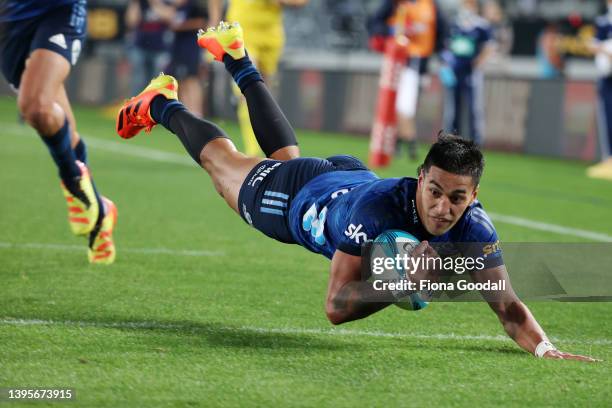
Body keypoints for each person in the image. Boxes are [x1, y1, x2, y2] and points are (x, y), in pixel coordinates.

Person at [115, 22, 598, 361]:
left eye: (457, 198)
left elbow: (508, 304)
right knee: (222, 168)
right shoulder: (375, 212)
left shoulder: (475, 229)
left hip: (344, 177)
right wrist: (400, 285)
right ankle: (162, 104)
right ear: (421, 178)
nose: (442, 207)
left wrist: (544, 347)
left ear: (474, 198)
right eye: (435, 191)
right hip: (300, 200)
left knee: (287, 155)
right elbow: (335, 307)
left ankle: (239, 59)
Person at [0, 0, 117, 263]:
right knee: (56, 121)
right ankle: (99, 209)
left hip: (59, 10)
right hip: (11, 20)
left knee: (37, 107)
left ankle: (74, 180)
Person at [207, 0, 309, 157]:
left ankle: (269, 143)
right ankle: (253, 151)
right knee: (248, 85)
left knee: (265, 93)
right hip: (242, 27)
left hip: (271, 33)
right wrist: (213, 22)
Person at [367, 0, 447, 160]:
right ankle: (407, 141)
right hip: (398, 59)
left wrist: (440, 51)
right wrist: (391, 31)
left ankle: (398, 140)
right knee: (400, 104)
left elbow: (442, 31)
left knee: (409, 103)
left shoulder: (430, 5)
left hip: (420, 61)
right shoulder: (394, 3)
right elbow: (374, 23)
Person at [440, 0, 494, 146]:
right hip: (454, 70)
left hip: (472, 71)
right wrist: (446, 65)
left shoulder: (481, 25)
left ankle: (476, 141)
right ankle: (450, 140)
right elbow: (446, 47)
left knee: (474, 107)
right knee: (452, 107)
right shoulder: (454, 23)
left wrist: (479, 62)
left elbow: (489, 47)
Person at [588, 0, 612, 180]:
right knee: (607, 117)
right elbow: (593, 45)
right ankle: (609, 159)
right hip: (607, 78)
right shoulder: (604, 22)